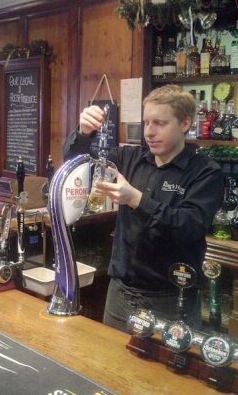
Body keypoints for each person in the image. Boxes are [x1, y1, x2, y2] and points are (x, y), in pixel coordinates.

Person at [63, 85, 223, 332]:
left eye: (160, 123)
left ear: (184, 124)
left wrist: (136, 199)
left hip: (171, 302)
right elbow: (75, 164)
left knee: (165, 360)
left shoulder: (205, 172)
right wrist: (84, 133)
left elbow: (190, 226)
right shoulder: (129, 158)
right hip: (119, 295)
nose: (149, 132)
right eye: (147, 122)